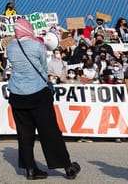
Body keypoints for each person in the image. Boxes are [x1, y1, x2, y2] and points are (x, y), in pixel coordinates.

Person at [6, 18, 81, 180]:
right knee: (50, 131)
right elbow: (42, 68)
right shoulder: (36, 45)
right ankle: (67, 166)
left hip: (17, 95)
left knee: (24, 134)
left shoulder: (10, 46)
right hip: (38, 93)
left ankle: (31, 169)